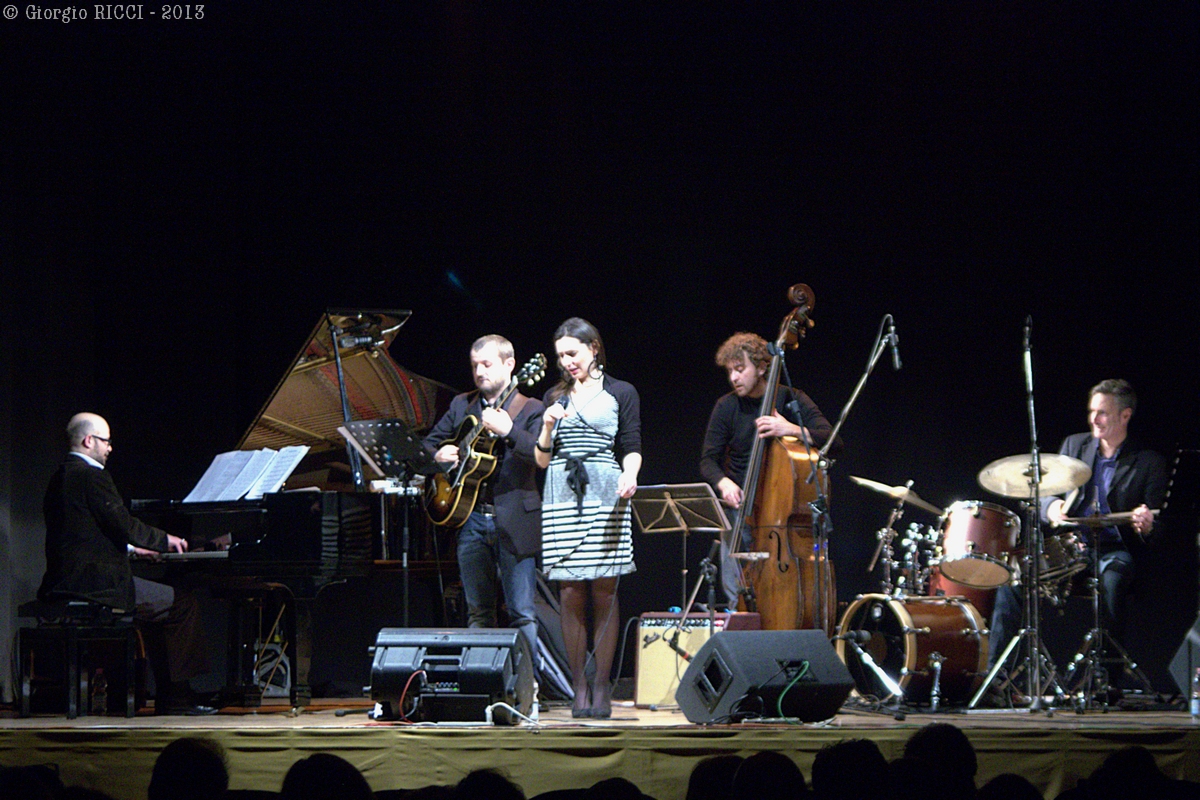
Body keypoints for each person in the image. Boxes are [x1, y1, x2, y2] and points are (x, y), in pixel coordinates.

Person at [988, 380, 1168, 691]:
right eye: (1092, 412)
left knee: (1112, 580)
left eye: (1103, 413)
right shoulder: (1075, 446)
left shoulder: (1148, 462)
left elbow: (1162, 526)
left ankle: (1106, 682)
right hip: (1071, 548)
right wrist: (1052, 506)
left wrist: (1147, 524)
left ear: (1125, 416)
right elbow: (1042, 495)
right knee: (1013, 579)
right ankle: (994, 677)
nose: (1094, 420)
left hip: (1115, 549)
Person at [39, 412, 215, 715]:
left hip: (69, 580)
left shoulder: (61, 476)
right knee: (182, 605)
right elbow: (122, 523)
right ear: (88, 440)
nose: (110, 448)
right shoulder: (91, 475)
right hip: (97, 584)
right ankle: (177, 698)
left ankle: (166, 694)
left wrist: (133, 549)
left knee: (162, 604)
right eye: (106, 441)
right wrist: (163, 540)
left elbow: (87, 531)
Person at [535, 317, 641, 719]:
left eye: (573, 354)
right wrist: (546, 428)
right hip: (562, 491)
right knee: (569, 592)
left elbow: (630, 443)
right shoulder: (554, 396)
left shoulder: (621, 392)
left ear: (593, 348)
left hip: (605, 488)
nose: (567, 362)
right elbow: (542, 459)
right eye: (561, 356)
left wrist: (629, 475)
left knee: (604, 590)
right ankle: (579, 685)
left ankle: (602, 686)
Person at [423, 335, 545, 663]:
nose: (480, 371)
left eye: (487, 364)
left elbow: (539, 456)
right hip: (470, 518)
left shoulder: (531, 408)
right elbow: (427, 445)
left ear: (510, 364)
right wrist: (439, 454)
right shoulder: (462, 404)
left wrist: (509, 432)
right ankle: (483, 682)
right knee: (478, 612)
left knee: (522, 612)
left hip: (515, 519)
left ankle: (527, 689)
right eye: (475, 365)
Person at [698, 332, 837, 608]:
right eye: (730, 372)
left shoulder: (791, 399)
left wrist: (791, 429)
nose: (734, 378)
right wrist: (724, 483)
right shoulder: (727, 406)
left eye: (740, 370)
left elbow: (833, 441)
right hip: (739, 511)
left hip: (779, 515)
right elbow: (708, 461)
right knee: (734, 590)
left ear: (762, 367)